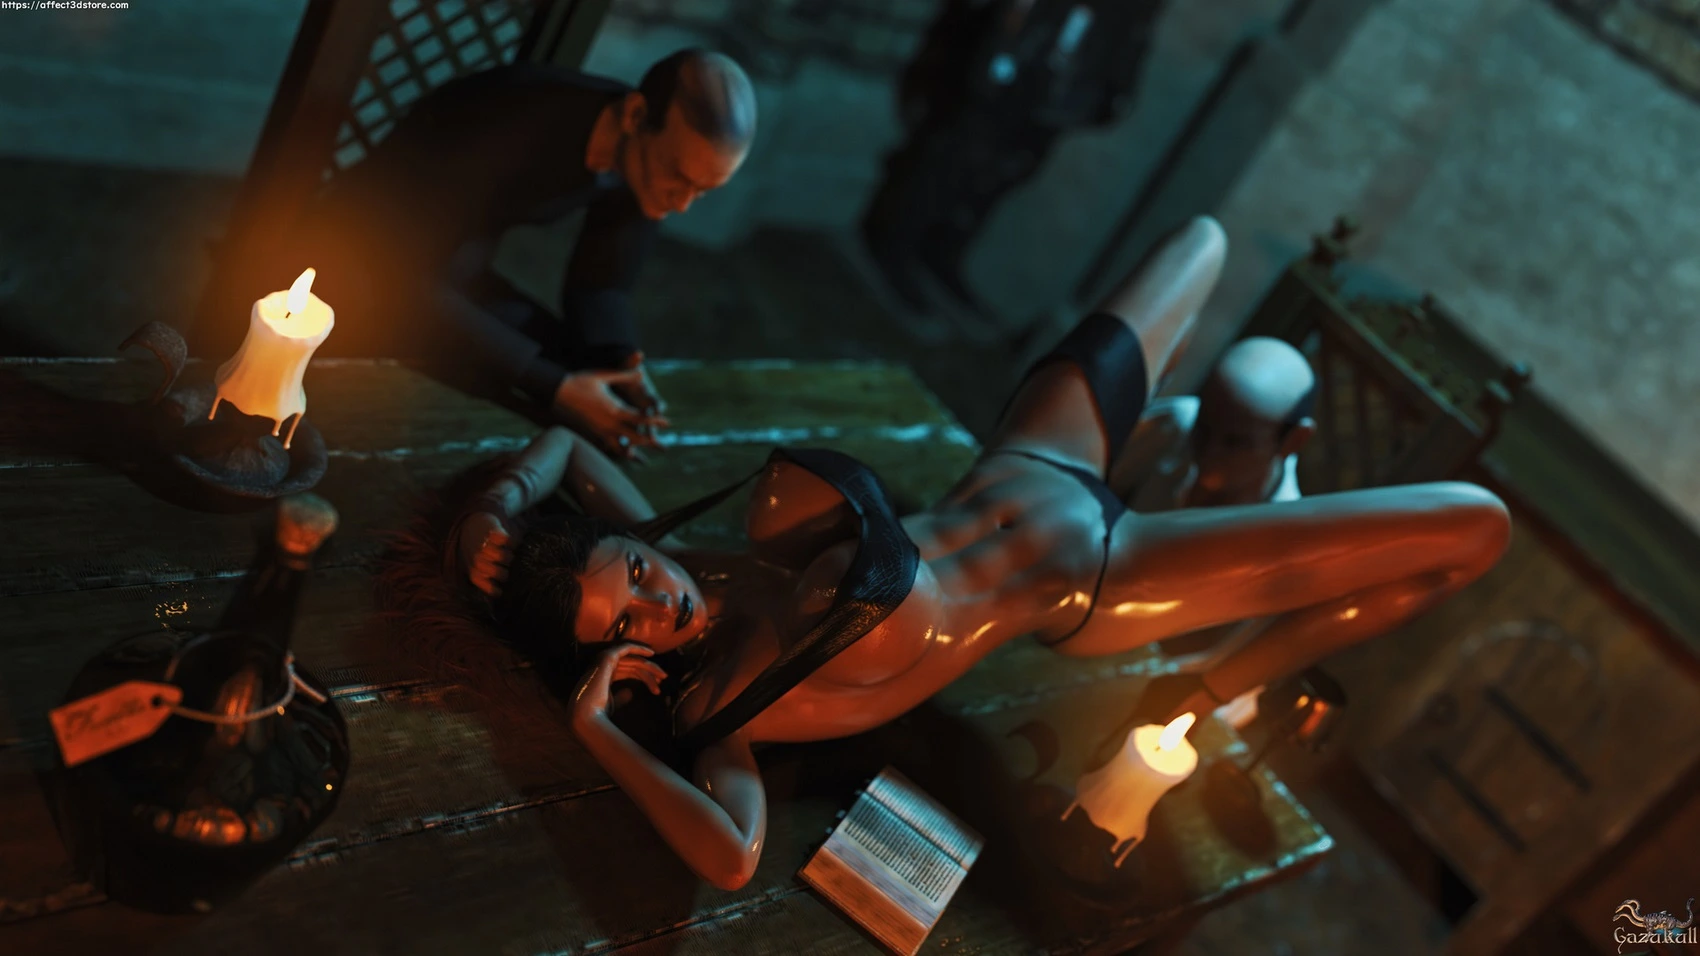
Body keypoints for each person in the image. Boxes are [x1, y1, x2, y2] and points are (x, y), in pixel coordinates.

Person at [444, 217, 1510, 890]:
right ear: (620, 656)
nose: (657, 603)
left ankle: (1207, 472)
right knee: (1472, 527)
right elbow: (731, 856)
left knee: (1203, 239)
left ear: (636, 544)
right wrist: (597, 731)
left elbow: (567, 449)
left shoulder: (700, 552)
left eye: (635, 573)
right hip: (1099, 571)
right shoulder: (722, 705)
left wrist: (497, 505)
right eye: (628, 623)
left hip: (1029, 458)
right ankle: (1218, 662)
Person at [268, 49, 757, 458]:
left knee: (586, 385)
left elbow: (599, 285)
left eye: (703, 190)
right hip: (360, 263)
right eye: (678, 177)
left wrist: (619, 359)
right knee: (537, 392)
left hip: (453, 273)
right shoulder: (514, 119)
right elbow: (403, 281)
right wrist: (556, 386)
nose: (682, 203)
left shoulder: (648, 159)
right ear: (635, 115)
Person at [861, 0, 1168, 315]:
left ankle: (940, 250)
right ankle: (895, 242)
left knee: (1001, 175)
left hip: (1059, 89)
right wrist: (998, 54)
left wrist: (1115, 90)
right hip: (1016, 65)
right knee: (953, 159)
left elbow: (1135, 31)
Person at [1106, 336, 1318, 727]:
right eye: (1204, 429)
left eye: (1236, 443)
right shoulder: (1174, 426)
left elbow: (1237, 679)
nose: (1209, 452)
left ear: (1293, 440)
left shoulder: (1287, 545)